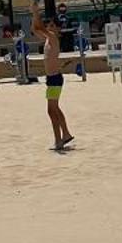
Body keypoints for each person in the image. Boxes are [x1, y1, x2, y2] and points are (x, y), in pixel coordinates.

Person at [31, 10, 74, 152]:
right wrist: (34, 15)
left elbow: (40, 28)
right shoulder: (48, 40)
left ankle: (58, 140)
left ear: (57, 28)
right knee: (54, 109)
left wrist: (36, 13)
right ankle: (66, 134)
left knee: (51, 110)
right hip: (51, 78)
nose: (49, 27)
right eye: (48, 25)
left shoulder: (54, 37)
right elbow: (35, 29)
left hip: (55, 78)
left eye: (51, 25)